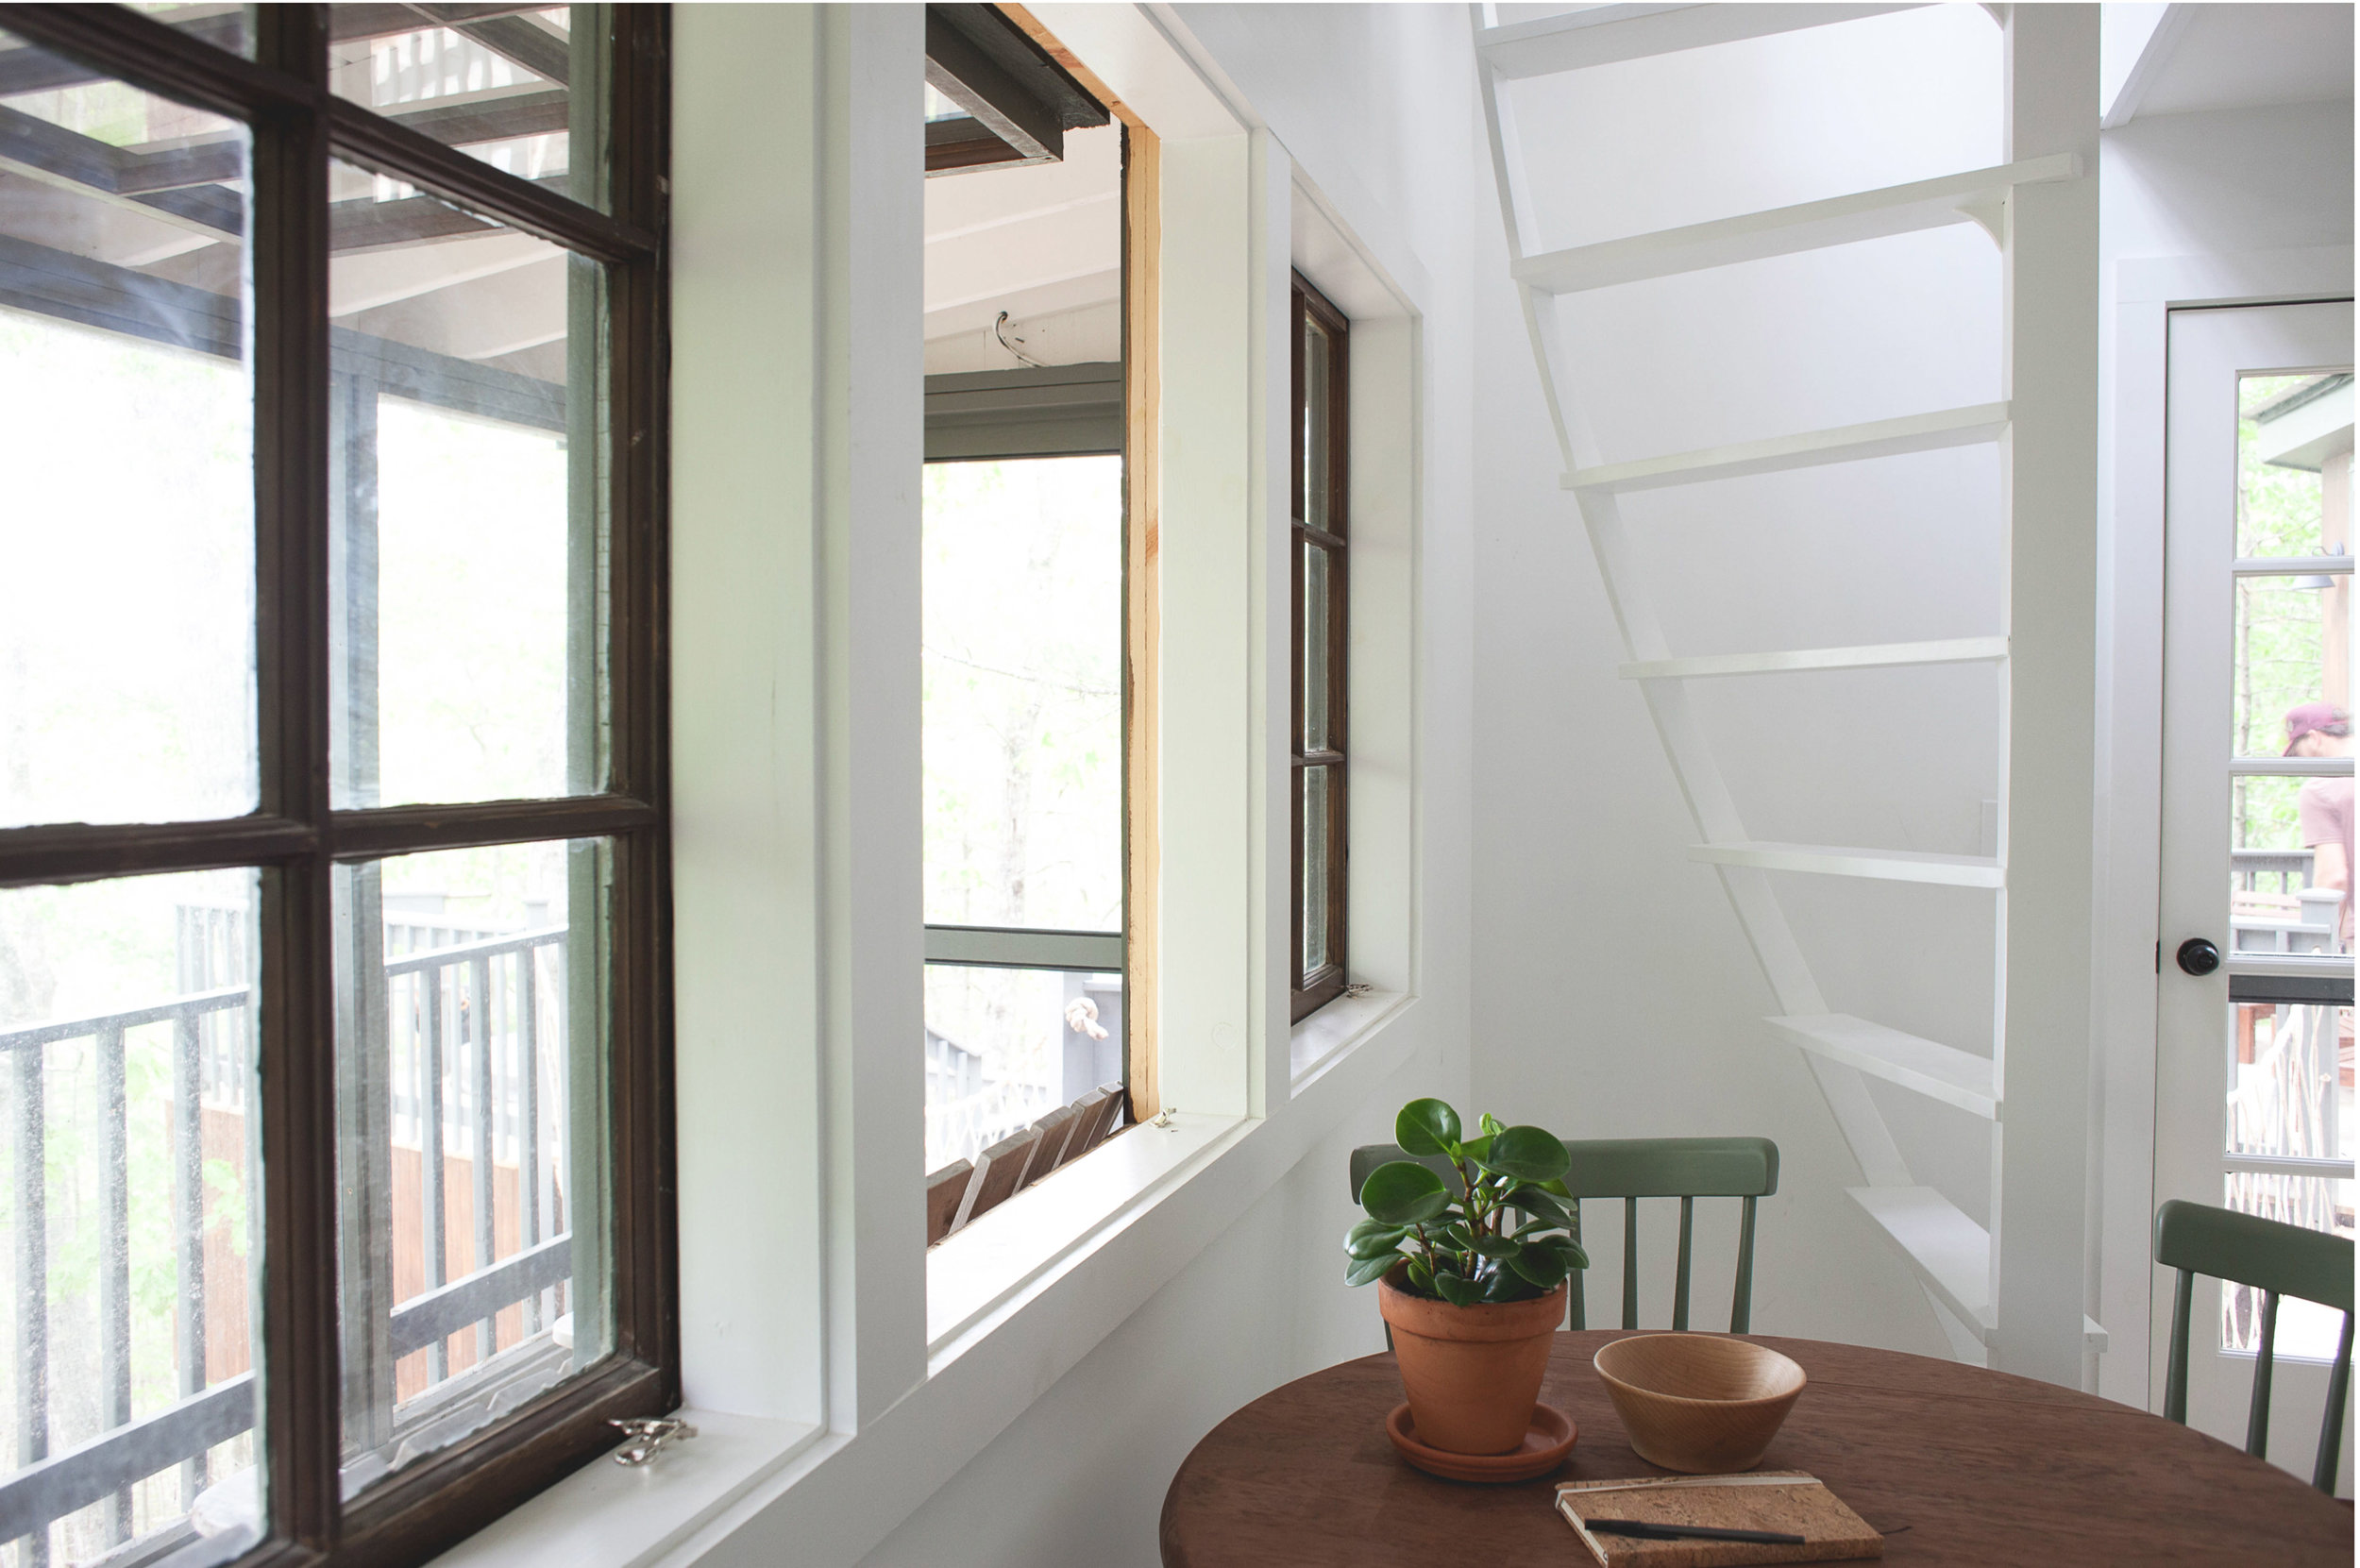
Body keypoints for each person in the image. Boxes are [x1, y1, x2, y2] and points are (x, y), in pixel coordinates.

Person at [2285, 701, 2353, 950]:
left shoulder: (2320, 789)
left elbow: (2333, 878)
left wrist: (2319, 946)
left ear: (2314, 738)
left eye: (2297, 751)